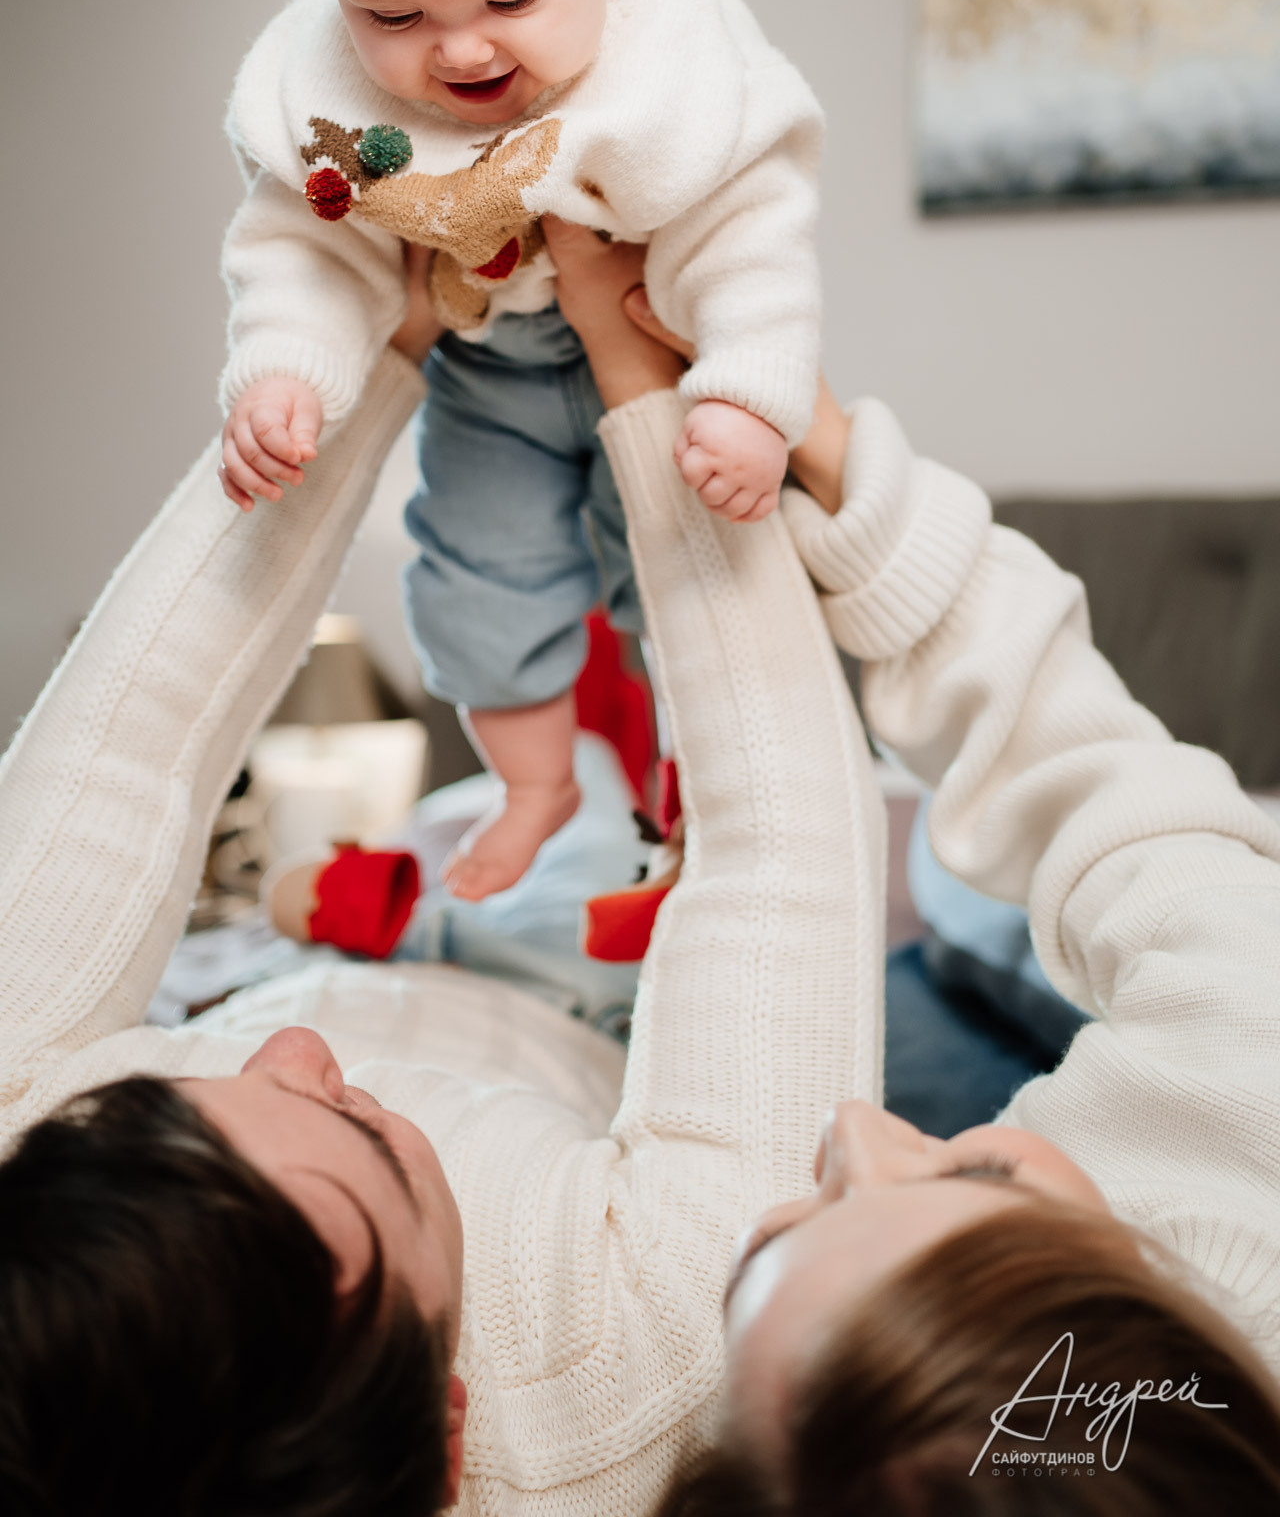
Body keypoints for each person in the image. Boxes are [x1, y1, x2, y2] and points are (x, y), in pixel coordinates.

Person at [3, 238, 1279, 1514]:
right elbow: (786, 859)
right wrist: (670, 394)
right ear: (446, 1450)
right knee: (955, 923)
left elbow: (122, 757)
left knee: (971, 924)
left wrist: (357, 360)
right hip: (622, 1033)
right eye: (366, 1147)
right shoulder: (662, 1374)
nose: (851, 1127)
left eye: (160, 1106)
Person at [217, 0, 823, 900]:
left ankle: (704, 803)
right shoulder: (333, 94)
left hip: (651, 363)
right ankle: (534, 783)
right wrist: (282, 370)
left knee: (688, 577)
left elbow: (751, 214)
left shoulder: (668, 49)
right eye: (394, 15)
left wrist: (750, 388)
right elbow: (301, 239)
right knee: (476, 574)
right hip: (483, 378)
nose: (459, 54)